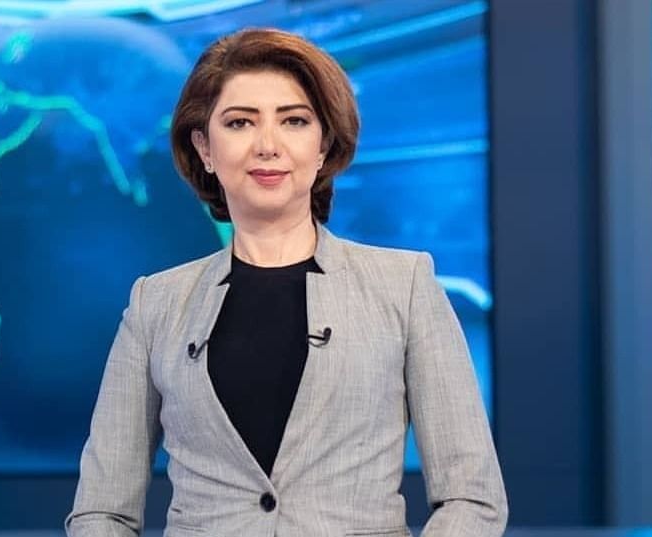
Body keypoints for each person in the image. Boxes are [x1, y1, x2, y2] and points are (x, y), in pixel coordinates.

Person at [65, 27, 507, 537]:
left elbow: (472, 498)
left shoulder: (404, 286)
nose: (268, 146)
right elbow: (102, 511)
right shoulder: (156, 304)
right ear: (204, 147)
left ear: (323, 145)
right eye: (240, 122)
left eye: (294, 121)